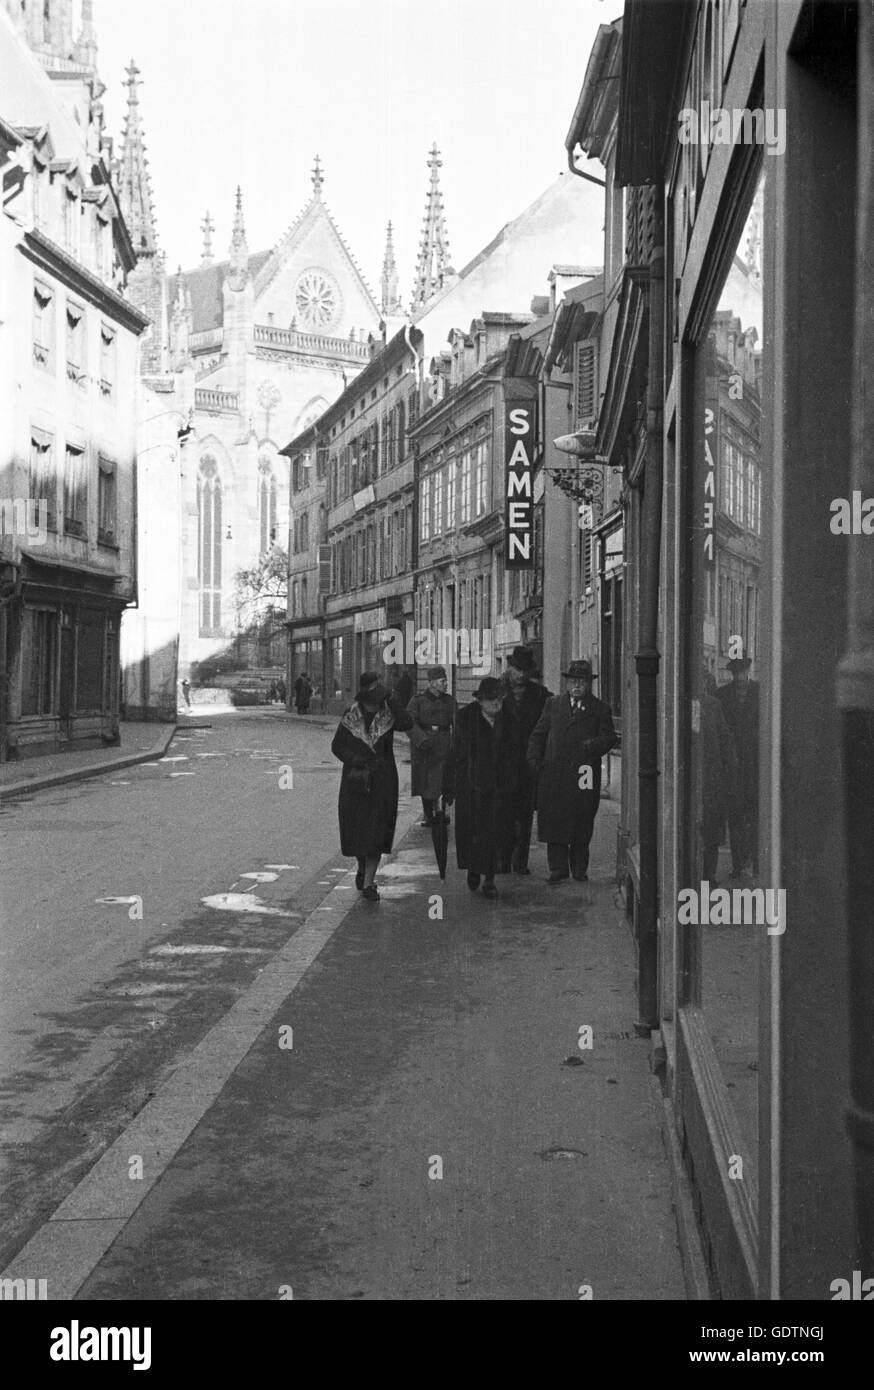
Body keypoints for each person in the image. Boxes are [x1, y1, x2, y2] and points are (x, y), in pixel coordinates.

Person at [527, 658, 617, 884]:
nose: (577, 686)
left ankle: (579, 867)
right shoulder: (553, 704)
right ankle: (557, 869)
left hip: (585, 772)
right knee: (554, 819)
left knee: (582, 818)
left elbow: (609, 738)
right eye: (573, 681)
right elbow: (538, 734)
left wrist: (593, 745)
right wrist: (535, 760)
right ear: (567, 683)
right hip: (555, 772)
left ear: (589, 684)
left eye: (582, 682)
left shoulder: (599, 709)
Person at [331, 671, 413, 901]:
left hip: (383, 781)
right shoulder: (352, 715)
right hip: (356, 781)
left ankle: (369, 882)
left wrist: (394, 703)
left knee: (377, 832)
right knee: (358, 832)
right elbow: (337, 746)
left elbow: (407, 723)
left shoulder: (389, 714)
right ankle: (361, 866)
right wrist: (357, 760)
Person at [451, 676, 514, 899]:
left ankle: (490, 879)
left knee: (496, 833)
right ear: (481, 701)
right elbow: (457, 753)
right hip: (472, 786)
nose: (496, 704)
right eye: (491, 700)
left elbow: (514, 752)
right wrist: (451, 785)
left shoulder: (507, 719)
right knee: (473, 832)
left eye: (499, 700)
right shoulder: (466, 718)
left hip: (499, 787)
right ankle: (473, 869)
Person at [499, 646, 551, 874]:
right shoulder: (496, 691)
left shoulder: (539, 695)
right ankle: (502, 860)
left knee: (525, 813)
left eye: (524, 670)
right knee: (503, 812)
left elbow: (549, 722)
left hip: (529, 763)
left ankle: (520, 862)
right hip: (503, 762)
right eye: (517, 669)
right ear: (510, 668)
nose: (520, 674)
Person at [716, 654, 760, 877]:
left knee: (754, 817)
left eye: (744, 671)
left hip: (755, 768)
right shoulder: (722, 696)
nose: (741, 676)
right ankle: (737, 865)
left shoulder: (761, 694)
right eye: (737, 672)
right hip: (732, 767)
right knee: (735, 817)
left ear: (749, 671)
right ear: (732, 674)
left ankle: (755, 862)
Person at [407, 665, 456, 826]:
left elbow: (457, 724)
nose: (446, 684)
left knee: (443, 779)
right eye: (443, 681)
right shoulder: (418, 700)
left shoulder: (450, 701)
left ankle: (441, 812)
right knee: (425, 781)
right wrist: (421, 739)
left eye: (446, 681)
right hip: (424, 746)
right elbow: (409, 723)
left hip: (443, 744)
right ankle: (428, 814)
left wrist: (456, 744)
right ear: (432, 683)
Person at [700, 667, 736, 884]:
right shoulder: (680, 703)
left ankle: (708, 872)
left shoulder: (713, 706)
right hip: (693, 778)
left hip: (712, 778)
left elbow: (725, 738)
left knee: (711, 829)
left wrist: (729, 768)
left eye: (704, 680)